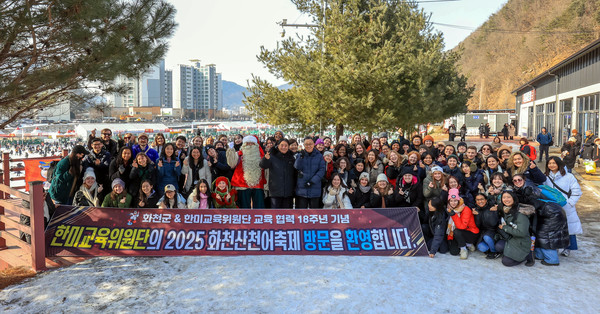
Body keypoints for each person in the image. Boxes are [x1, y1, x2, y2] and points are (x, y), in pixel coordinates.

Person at [544, 157, 582, 257]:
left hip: (566, 207)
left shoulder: (569, 177)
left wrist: (570, 203)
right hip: (551, 207)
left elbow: (576, 191)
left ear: (559, 164)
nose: (551, 165)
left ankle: (568, 248)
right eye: (549, 163)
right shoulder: (546, 177)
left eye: (554, 163)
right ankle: (555, 247)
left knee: (569, 228)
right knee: (554, 228)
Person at [495, 191, 536, 267]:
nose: (506, 199)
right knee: (498, 246)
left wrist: (504, 228)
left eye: (508, 197)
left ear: (514, 198)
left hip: (520, 241)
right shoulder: (505, 209)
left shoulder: (520, 214)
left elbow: (521, 233)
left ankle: (527, 255)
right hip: (511, 238)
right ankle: (510, 253)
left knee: (506, 262)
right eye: (504, 197)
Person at [230, 135, 266, 209]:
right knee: (244, 207)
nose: (249, 145)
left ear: (256, 145)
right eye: (247, 143)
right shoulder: (238, 154)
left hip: (258, 184)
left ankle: (258, 220)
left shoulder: (261, 155)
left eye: (251, 143)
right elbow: (231, 164)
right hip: (242, 184)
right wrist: (230, 152)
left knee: (259, 207)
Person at [260, 139, 296, 208]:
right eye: (282, 145)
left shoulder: (291, 157)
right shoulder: (272, 156)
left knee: (287, 214)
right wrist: (265, 158)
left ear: (288, 147)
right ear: (278, 146)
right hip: (275, 192)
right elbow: (263, 165)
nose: (284, 147)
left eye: (286, 145)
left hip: (288, 192)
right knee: (275, 214)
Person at [446, 188, 479, 259]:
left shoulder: (465, 209)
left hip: (470, 233)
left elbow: (462, 226)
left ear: (459, 201)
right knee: (454, 252)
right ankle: (465, 244)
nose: (453, 203)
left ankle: (465, 247)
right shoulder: (450, 209)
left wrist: (454, 215)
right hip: (458, 233)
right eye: (451, 201)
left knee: (457, 231)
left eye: (455, 201)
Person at [534, 201, 570, 266]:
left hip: (551, 213)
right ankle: (540, 255)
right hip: (554, 210)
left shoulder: (529, 194)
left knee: (546, 238)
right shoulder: (539, 192)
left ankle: (552, 260)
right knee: (540, 235)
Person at [295, 137, 326, 209]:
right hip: (302, 189)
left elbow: (322, 170)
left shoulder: (319, 156)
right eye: (306, 144)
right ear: (303, 145)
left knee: (314, 212)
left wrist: (313, 181)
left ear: (314, 144)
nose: (308, 146)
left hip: (315, 188)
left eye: (310, 144)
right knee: (302, 212)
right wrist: (301, 157)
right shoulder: (300, 155)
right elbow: (297, 167)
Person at [472, 193, 501, 259]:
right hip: (482, 232)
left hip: (493, 230)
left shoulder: (492, 208)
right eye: (478, 200)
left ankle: (494, 251)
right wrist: (477, 215)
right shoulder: (476, 210)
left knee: (487, 237)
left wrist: (493, 213)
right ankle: (491, 247)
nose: (480, 201)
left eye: (482, 199)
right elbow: (478, 225)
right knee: (481, 247)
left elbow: (493, 223)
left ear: (486, 200)